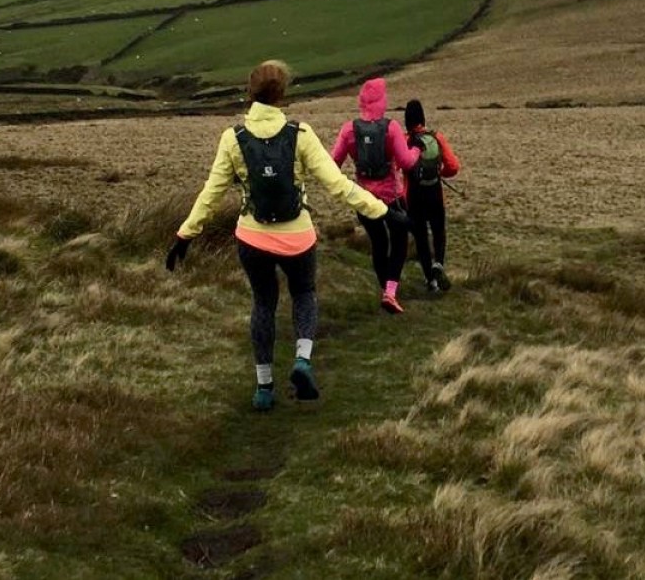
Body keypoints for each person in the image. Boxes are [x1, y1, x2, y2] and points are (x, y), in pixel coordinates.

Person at [165, 60, 402, 412]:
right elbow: (338, 186)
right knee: (304, 293)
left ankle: (263, 387)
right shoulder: (300, 134)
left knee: (263, 303)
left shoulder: (233, 139)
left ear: (250, 92)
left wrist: (185, 234)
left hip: (253, 238)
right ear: (283, 93)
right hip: (298, 238)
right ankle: (302, 360)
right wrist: (384, 212)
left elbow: (211, 194)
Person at [331, 78, 420, 314]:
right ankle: (390, 291)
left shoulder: (349, 129)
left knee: (379, 243)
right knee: (399, 241)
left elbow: (333, 163)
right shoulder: (390, 128)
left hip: (363, 198)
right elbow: (406, 161)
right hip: (391, 196)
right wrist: (417, 149)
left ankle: (385, 291)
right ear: (382, 101)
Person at [402, 99, 462, 293]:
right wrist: (439, 173)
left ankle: (430, 281)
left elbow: (397, 167)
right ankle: (439, 264)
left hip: (413, 196)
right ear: (423, 117)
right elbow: (453, 166)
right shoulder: (437, 138)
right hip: (435, 193)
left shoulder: (405, 141)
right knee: (439, 233)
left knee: (421, 238)